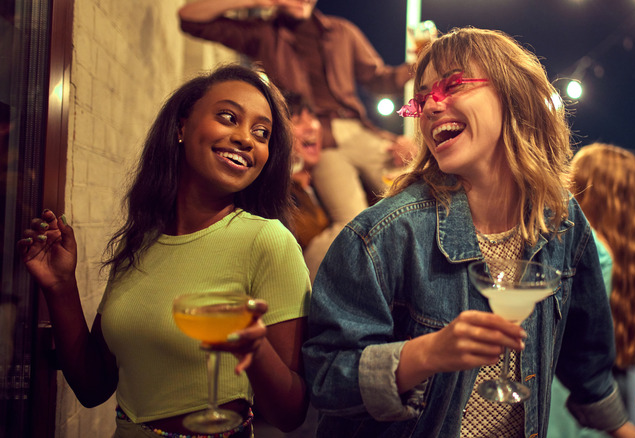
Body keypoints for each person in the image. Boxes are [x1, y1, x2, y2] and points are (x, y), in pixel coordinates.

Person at [301, 28, 635, 438]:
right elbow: (324, 377)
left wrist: (621, 426)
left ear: (513, 94)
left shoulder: (562, 220)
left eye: (454, 84)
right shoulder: (384, 235)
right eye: (422, 96)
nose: (431, 104)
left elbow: (585, 353)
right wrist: (425, 353)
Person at [17, 64, 311, 437]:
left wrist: (254, 350)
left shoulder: (268, 241)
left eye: (261, 133)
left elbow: (291, 415)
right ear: (181, 127)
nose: (245, 139)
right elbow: (93, 387)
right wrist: (60, 287)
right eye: (228, 117)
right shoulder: (139, 241)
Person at [178, 0, 418, 229]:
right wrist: (261, 2)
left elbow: (379, 80)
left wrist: (420, 61)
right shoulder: (264, 34)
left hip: (357, 128)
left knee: (416, 192)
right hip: (318, 140)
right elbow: (190, 18)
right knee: (352, 223)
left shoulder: (342, 31)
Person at [548, 143, 635, 437]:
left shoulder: (583, 244)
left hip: (559, 401)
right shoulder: (615, 250)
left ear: (582, 185)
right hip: (582, 404)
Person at [285, 91, 344, 284]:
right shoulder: (279, 193)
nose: (311, 126)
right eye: (297, 120)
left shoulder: (328, 186)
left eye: (312, 117)